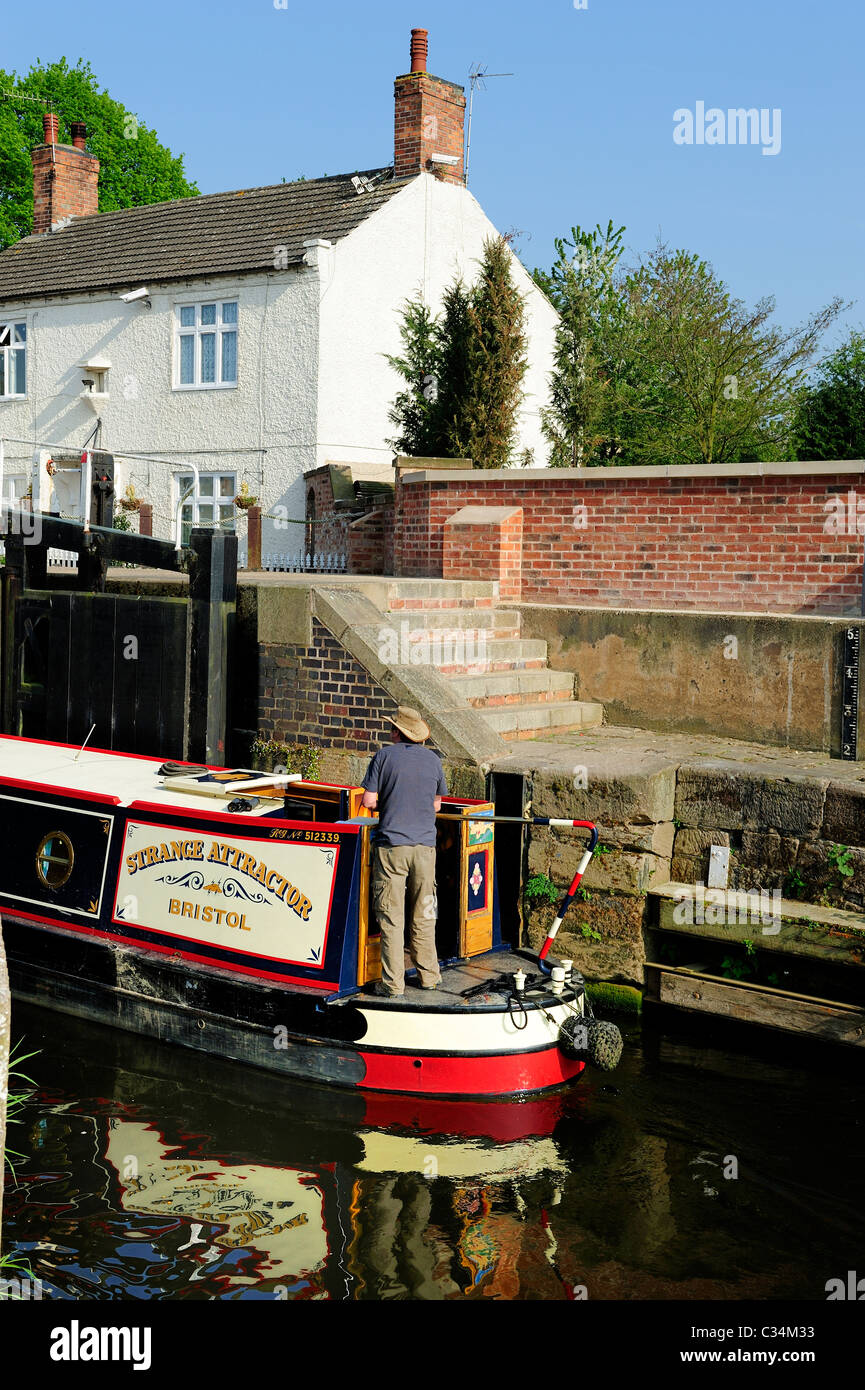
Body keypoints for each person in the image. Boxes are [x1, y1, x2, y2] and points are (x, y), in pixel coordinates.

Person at [361, 706, 447, 997]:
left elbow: (369, 801)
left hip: (392, 848)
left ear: (396, 732)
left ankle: (392, 984)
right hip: (425, 849)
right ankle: (429, 977)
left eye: (391, 727)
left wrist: (390, 801)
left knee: (391, 917)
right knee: (424, 914)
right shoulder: (434, 760)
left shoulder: (384, 756)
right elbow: (436, 806)